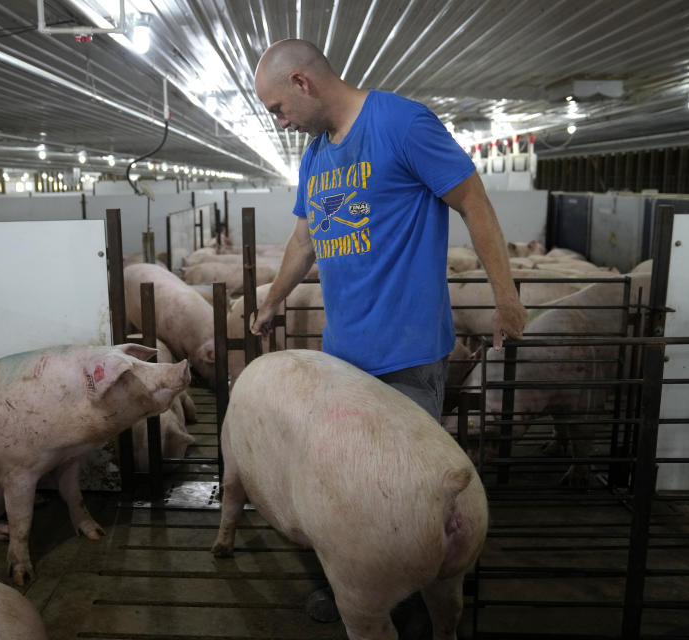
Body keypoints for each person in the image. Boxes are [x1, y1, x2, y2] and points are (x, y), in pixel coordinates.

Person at [249, 39, 528, 624]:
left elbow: (473, 201)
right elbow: (306, 240)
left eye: (277, 108)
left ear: (302, 83)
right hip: (344, 358)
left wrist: (507, 298)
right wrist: (273, 300)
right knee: (350, 488)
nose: (280, 121)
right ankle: (357, 579)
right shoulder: (317, 156)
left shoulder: (401, 122)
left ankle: (407, 604)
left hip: (406, 353)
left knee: (405, 494)